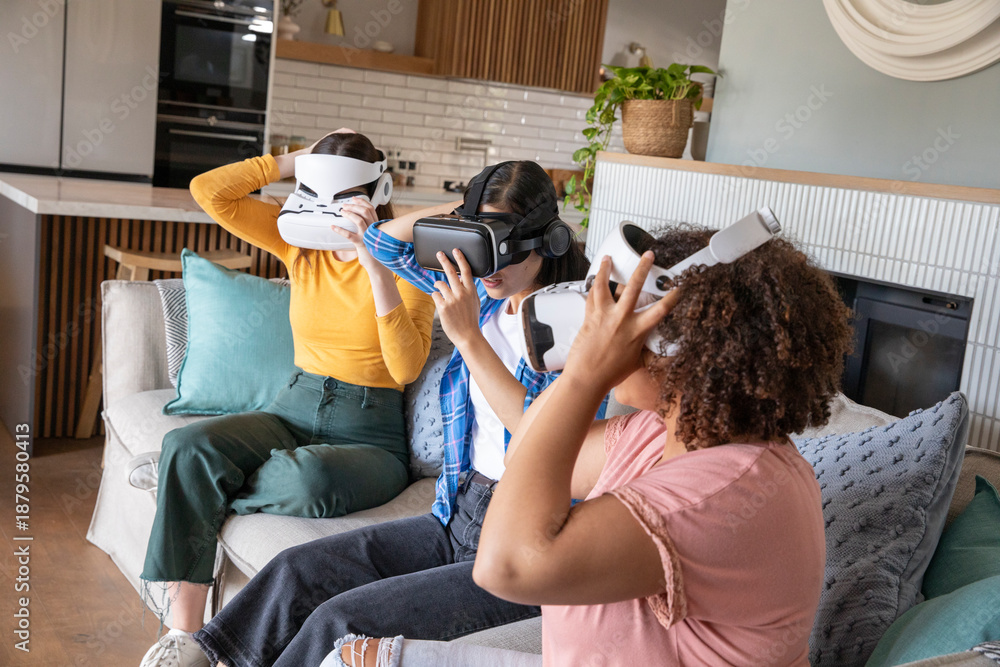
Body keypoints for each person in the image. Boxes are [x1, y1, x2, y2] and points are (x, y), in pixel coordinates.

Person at [331, 224, 853, 666]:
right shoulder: (668, 431)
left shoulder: (725, 491)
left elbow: (505, 566)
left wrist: (587, 374)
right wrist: (549, 358)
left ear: (671, 346)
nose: (597, 326)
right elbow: (528, 445)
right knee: (348, 654)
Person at [188, 161, 597, 667]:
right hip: (456, 512)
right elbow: (381, 243)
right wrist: (465, 215)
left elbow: (539, 438)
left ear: (549, 241)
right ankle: (207, 658)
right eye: (477, 245)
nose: (486, 267)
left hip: (520, 542)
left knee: (340, 620)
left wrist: (467, 337)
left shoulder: (572, 326)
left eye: (502, 249)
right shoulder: (485, 300)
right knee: (296, 571)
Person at [134, 130, 436, 667]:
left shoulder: (408, 260)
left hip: (369, 432)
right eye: (315, 191)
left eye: (340, 196)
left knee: (307, 480)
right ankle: (186, 639)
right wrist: (294, 161)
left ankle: (192, 483)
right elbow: (210, 191)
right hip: (292, 404)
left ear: (376, 189)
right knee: (187, 444)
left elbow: (406, 366)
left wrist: (377, 261)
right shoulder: (299, 243)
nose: (326, 209)